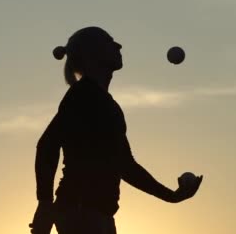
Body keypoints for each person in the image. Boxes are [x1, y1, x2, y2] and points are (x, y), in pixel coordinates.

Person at [30, 26, 202, 234]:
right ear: (93, 54)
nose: (119, 46)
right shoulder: (86, 97)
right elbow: (48, 146)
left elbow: (123, 164)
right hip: (83, 213)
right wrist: (45, 204)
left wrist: (171, 196)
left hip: (87, 212)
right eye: (110, 42)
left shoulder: (90, 97)